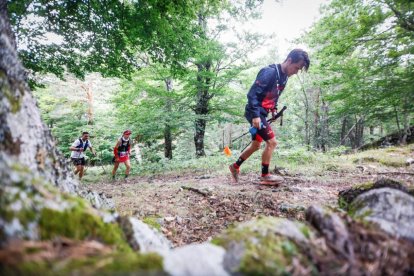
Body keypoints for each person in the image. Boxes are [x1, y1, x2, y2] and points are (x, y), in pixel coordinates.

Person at [229, 49, 310, 185]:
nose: (296, 72)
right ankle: (265, 175)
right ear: (289, 60)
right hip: (255, 112)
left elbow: (273, 95)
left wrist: (273, 109)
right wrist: (256, 116)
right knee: (272, 142)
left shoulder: (284, 77)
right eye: (296, 67)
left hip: (262, 113)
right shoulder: (270, 72)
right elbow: (252, 95)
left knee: (255, 145)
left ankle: (235, 167)